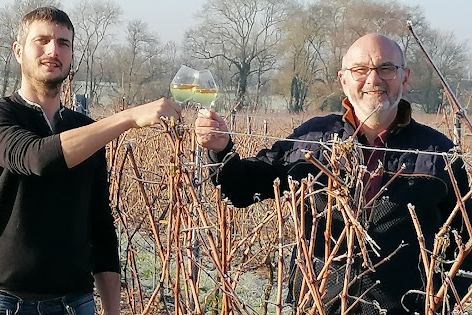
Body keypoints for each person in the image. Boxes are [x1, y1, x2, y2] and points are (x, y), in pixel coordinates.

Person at [195, 33, 471, 314]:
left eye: (386, 68)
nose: (373, 80)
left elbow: (466, 244)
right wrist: (222, 151)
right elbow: (242, 189)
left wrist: (440, 302)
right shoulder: (312, 138)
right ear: (343, 80)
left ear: (405, 77)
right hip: (316, 304)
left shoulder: (439, 153)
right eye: (360, 70)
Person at [0, 7, 180, 315]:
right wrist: (128, 117)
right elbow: (37, 157)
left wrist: (112, 309)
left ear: (71, 56)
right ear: (18, 51)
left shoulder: (86, 128)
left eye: (63, 43)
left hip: (76, 304)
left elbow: (100, 226)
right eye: (41, 41)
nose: (53, 50)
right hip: (5, 303)